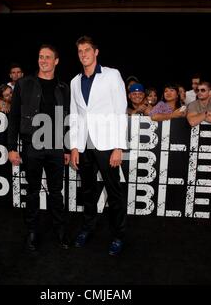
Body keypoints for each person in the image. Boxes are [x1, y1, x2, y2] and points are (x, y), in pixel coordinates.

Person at [7, 44, 70, 252]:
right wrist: (12, 147)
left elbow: (67, 120)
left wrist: (68, 148)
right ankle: (32, 231)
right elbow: (14, 117)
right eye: (40, 57)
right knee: (32, 191)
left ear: (56, 61)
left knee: (56, 192)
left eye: (47, 57)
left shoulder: (63, 87)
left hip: (56, 146)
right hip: (31, 144)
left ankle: (60, 231)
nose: (43, 60)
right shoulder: (24, 84)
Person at [69, 36, 128, 256]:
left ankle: (118, 235)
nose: (83, 54)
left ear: (96, 52)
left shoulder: (112, 75)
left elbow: (120, 111)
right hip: (84, 146)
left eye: (87, 50)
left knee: (114, 193)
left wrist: (118, 147)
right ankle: (87, 228)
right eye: (80, 51)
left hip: (107, 145)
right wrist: (74, 146)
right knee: (87, 191)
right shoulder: (75, 81)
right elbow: (75, 115)